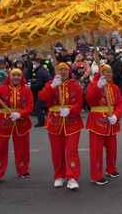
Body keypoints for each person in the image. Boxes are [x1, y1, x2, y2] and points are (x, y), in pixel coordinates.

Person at [0, 68, 34, 185]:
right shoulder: (0, 89)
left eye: (18, 75)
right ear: (9, 76)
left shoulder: (27, 90)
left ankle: (23, 170)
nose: (16, 77)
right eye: (14, 75)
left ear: (21, 77)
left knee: (22, 148)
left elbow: (30, 107)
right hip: (3, 121)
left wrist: (20, 113)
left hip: (21, 122)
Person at [38, 62, 84, 190]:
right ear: (56, 71)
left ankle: (72, 176)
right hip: (54, 122)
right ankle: (59, 175)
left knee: (71, 150)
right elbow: (42, 98)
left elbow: (80, 103)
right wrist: (52, 86)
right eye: (60, 69)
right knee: (57, 151)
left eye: (65, 69)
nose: (63, 72)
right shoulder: (51, 84)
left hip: (72, 122)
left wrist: (71, 110)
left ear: (69, 72)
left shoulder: (75, 85)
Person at [86, 64, 122, 186]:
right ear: (101, 73)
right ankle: (96, 175)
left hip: (111, 121)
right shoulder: (93, 85)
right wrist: (97, 87)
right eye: (105, 72)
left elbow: (120, 104)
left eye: (110, 72)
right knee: (96, 150)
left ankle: (111, 169)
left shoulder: (115, 88)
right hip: (97, 122)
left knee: (112, 148)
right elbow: (90, 100)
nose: (108, 74)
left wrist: (116, 115)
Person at [30, 58, 51, 127]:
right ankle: (47, 120)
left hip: (44, 91)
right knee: (45, 107)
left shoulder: (40, 71)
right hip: (46, 90)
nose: (33, 65)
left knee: (38, 107)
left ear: (38, 63)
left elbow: (40, 84)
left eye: (34, 64)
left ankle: (41, 122)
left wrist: (30, 86)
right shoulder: (42, 70)